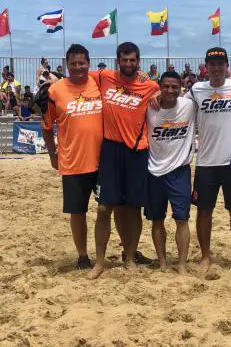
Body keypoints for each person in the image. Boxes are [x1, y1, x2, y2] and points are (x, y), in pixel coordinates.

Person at [88, 42, 160, 279]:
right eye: (124, 60)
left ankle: (130, 256)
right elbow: (77, 78)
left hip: (137, 151)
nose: (129, 64)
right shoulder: (104, 77)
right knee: (103, 208)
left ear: (138, 61)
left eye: (132, 60)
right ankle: (99, 261)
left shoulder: (150, 86)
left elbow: (169, 96)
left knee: (134, 208)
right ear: (117, 60)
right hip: (110, 149)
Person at [41, 44, 103, 270]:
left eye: (82, 63)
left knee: (112, 208)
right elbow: (47, 128)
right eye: (73, 63)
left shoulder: (99, 82)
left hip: (102, 161)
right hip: (73, 162)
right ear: (67, 64)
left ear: (89, 63)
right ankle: (83, 256)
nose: (78, 67)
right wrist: (52, 153)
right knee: (78, 213)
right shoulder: (55, 90)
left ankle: (123, 251)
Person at [187, 47, 231, 272]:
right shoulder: (196, 90)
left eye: (220, 63)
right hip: (205, 162)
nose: (216, 68)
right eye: (212, 64)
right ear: (205, 67)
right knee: (204, 211)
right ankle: (205, 256)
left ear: (227, 66)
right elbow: (173, 103)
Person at [145, 71, 196, 275]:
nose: (170, 90)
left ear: (181, 87)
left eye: (175, 87)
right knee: (157, 220)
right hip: (153, 171)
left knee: (182, 219)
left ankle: (182, 264)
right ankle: (163, 262)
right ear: (159, 87)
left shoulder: (189, 105)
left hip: (179, 171)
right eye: (166, 86)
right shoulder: (149, 108)